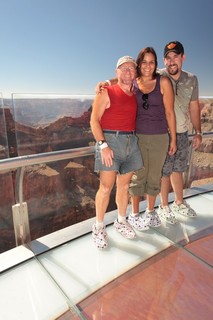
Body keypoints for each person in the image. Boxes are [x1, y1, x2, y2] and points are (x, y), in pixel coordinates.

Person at [90, 56, 144, 249]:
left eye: (132, 68)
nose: (128, 71)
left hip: (131, 140)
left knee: (124, 186)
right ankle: (98, 227)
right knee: (106, 187)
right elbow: (94, 120)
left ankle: (121, 221)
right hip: (110, 141)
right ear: (116, 72)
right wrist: (103, 145)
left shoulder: (136, 91)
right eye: (124, 68)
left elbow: (151, 74)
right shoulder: (106, 92)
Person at [157, 41, 202, 222]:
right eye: (168, 58)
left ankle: (178, 202)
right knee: (164, 171)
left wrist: (198, 131)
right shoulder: (157, 75)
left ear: (183, 57)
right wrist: (106, 82)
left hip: (183, 133)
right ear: (164, 60)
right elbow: (132, 76)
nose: (172, 61)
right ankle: (163, 206)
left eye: (175, 56)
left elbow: (194, 107)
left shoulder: (192, 79)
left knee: (178, 169)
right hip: (163, 133)